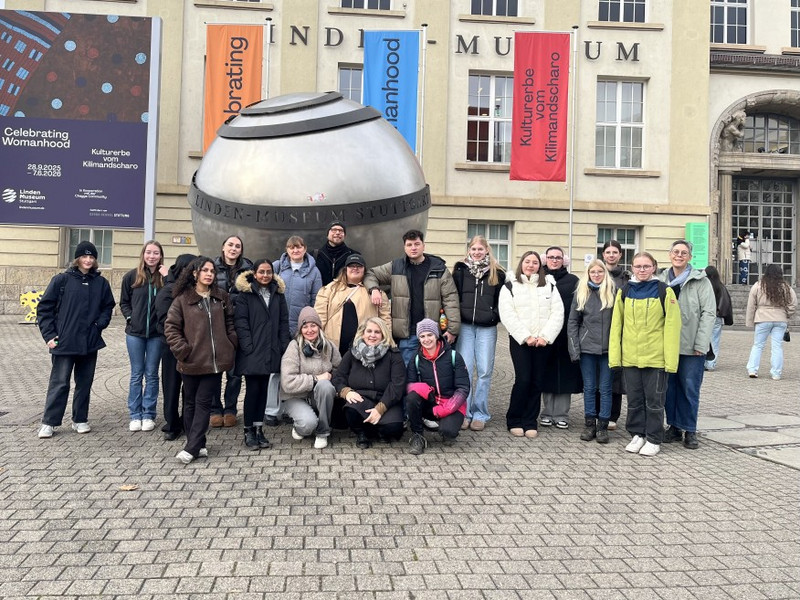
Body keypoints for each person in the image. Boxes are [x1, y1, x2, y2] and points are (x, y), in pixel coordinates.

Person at [36, 242, 115, 438]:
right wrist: (49, 336)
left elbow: (108, 307)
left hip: (89, 342)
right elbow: (44, 309)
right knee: (60, 382)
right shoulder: (61, 280)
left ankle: (80, 419)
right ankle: (49, 422)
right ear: (77, 258)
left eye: (91, 257)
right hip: (64, 341)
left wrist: (99, 326)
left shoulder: (101, 283)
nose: (88, 260)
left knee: (84, 383)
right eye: (84, 256)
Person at [165, 257, 237, 464]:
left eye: (212, 271)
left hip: (214, 363)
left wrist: (230, 341)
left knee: (203, 402)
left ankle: (191, 447)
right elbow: (171, 327)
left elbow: (230, 321)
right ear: (194, 273)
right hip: (190, 360)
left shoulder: (221, 297)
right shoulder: (182, 299)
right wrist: (183, 349)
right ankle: (199, 443)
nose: (209, 274)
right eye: (204, 270)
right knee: (189, 404)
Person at [609, 252, 681, 457]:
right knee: (635, 400)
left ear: (654, 267)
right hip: (630, 357)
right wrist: (615, 357)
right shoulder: (624, 291)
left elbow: (672, 326)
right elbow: (616, 326)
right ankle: (637, 434)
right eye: (638, 266)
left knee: (654, 401)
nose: (642, 270)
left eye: (646, 266)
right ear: (632, 268)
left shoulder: (664, 291)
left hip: (655, 358)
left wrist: (670, 361)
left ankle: (654, 438)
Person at [364, 229, 460, 365]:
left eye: (416, 244)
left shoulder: (438, 268)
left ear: (423, 245)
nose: (413, 248)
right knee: (407, 372)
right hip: (406, 334)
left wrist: (452, 330)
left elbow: (451, 299)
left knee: (431, 372)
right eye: (409, 245)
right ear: (404, 247)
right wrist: (374, 289)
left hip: (431, 334)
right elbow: (370, 274)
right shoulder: (396, 267)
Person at [498, 251, 563, 438]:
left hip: (543, 342)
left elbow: (557, 313)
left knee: (537, 382)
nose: (531, 265)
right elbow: (507, 314)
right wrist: (526, 337)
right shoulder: (510, 287)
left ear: (539, 266)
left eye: (535, 262)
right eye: (527, 261)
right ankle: (514, 419)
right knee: (523, 379)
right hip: (521, 341)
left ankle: (530, 421)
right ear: (521, 264)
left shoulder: (549, 286)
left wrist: (545, 336)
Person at [659, 240, 716, 450]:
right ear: (670, 254)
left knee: (690, 389)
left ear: (690, 257)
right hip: (667, 345)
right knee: (669, 389)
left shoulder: (701, 281)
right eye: (676, 252)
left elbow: (709, 313)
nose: (679, 255)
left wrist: (701, 342)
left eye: (684, 253)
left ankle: (689, 429)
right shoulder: (661, 279)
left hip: (693, 346)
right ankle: (673, 427)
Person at [233, 259, 290, 450]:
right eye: (261, 272)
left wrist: (283, 345)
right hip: (252, 351)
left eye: (268, 272)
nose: (265, 275)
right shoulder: (245, 295)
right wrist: (248, 346)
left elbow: (283, 322)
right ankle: (248, 430)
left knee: (264, 391)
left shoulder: (278, 295)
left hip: (270, 350)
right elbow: (241, 323)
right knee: (252, 392)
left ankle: (259, 429)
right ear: (254, 273)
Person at [452, 235, 506, 432]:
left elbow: (503, 301)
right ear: (469, 250)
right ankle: (464, 412)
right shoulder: (460, 270)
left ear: (487, 251)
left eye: (480, 249)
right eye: (473, 249)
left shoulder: (497, 273)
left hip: (487, 328)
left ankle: (480, 413)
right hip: (465, 326)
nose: (476, 253)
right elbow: (453, 295)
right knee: (465, 369)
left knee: (484, 371)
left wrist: (494, 316)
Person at [332, 316, 406, 449]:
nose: (372, 335)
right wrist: (346, 392)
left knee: (393, 428)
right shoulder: (352, 353)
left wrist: (380, 408)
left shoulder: (394, 355)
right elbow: (338, 377)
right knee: (351, 409)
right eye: (369, 331)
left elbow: (397, 385)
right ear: (363, 333)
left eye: (377, 332)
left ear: (383, 334)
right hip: (361, 399)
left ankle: (378, 430)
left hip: (385, 401)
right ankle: (362, 433)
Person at [120, 240, 167, 433]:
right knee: (136, 374)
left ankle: (149, 414)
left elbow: (173, 297)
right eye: (149, 252)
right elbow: (124, 302)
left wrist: (169, 277)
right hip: (135, 334)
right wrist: (131, 318)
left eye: (156, 253)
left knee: (152, 374)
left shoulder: (164, 277)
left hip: (156, 335)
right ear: (143, 254)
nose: (152, 256)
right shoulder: (132, 276)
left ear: (160, 256)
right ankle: (135, 415)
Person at [568, 260, 616, 444]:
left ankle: (603, 426)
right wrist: (574, 348)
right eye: (592, 272)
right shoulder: (581, 293)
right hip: (587, 348)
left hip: (608, 349)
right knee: (589, 387)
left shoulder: (613, 293)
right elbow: (573, 322)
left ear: (605, 273)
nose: (596, 275)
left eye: (599, 272)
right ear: (588, 274)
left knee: (605, 388)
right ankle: (589, 424)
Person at [405, 319, 470, 455]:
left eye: (430, 335)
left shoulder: (454, 356)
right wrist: (423, 389)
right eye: (422, 336)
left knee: (448, 431)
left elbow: (463, 388)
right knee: (412, 398)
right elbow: (409, 385)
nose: (426, 339)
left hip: (451, 404)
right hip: (430, 402)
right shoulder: (415, 358)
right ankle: (418, 435)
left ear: (437, 336)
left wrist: (443, 410)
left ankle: (446, 428)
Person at [280, 307, 342, 450]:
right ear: (300, 329)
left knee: (325, 386)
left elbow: (340, 370)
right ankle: (300, 426)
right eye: (305, 326)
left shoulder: (329, 346)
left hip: (318, 396)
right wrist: (315, 379)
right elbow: (288, 382)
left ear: (319, 327)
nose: (310, 330)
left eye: (313, 325)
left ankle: (323, 432)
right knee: (308, 425)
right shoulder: (293, 347)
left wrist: (330, 378)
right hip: (295, 396)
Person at [212, 235, 253, 428]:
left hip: (237, 325)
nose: (233, 248)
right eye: (230, 245)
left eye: (237, 246)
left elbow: (249, 297)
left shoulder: (247, 269)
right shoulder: (211, 266)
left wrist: (229, 300)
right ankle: (215, 409)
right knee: (215, 370)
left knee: (235, 373)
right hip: (215, 326)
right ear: (223, 247)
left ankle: (230, 409)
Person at [154, 253, 197, 441]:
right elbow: (165, 323)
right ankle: (172, 424)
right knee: (171, 387)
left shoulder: (195, 290)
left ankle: (188, 422)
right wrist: (180, 343)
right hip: (172, 348)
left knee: (190, 389)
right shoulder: (168, 291)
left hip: (193, 348)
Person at [315, 253, 390, 357]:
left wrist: (387, 343)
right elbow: (319, 318)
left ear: (364, 269)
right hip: (333, 348)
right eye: (351, 266)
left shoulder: (377, 293)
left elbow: (385, 321)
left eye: (359, 266)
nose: (355, 268)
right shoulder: (329, 290)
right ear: (345, 269)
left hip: (366, 350)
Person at [540, 246, 582, 429]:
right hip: (546, 334)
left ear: (563, 260)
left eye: (558, 257)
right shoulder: (540, 279)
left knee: (565, 376)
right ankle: (547, 412)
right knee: (547, 374)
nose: (554, 260)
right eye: (551, 257)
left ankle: (562, 414)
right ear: (545, 259)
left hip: (566, 334)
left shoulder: (573, 281)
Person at [745, 264, 797, 380]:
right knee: (777, 346)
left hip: (762, 318)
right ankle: (776, 373)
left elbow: (751, 305)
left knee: (758, 345)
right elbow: (793, 303)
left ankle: (753, 369)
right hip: (780, 318)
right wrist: (786, 313)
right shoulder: (786, 287)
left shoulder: (758, 286)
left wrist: (750, 321)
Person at [599, 240, 631, 430]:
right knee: (598, 376)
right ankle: (596, 412)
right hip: (598, 332)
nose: (611, 255)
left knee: (615, 377)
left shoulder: (626, 278)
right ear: (603, 254)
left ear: (620, 255)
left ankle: (612, 416)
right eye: (608, 252)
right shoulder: (596, 274)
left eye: (615, 252)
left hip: (619, 332)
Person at [273, 236, 322, 336]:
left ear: (305, 249)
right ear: (287, 250)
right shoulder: (277, 267)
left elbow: (316, 300)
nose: (295, 250)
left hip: (301, 326)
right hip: (278, 323)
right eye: (292, 248)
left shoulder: (314, 272)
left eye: (299, 247)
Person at [704, 265, 733, 372]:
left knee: (704, 340)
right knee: (714, 340)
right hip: (716, 316)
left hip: (705, 316)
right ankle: (711, 364)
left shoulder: (703, 286)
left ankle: (703, 362)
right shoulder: (720, 286)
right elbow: (725, 302)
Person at [313, 221, 360, 286]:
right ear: (327, 234)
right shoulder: (314, 255)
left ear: (344, 235)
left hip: (345, 294)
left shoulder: (354, 255)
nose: (338, 233)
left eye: (341, 231)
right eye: (334, 230)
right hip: (321, 294)